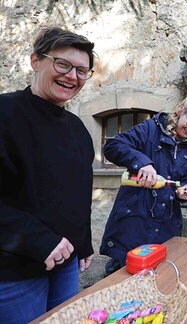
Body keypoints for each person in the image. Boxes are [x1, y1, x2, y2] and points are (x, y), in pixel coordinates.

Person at [0, 26, 96, 323]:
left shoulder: (79, 129)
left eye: (82, 70)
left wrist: (84, 243)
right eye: (63, 64)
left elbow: (78, 194)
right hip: (14, 271)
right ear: (35, 61)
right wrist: (38, 240)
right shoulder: (5, 113)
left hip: (66, 266)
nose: (72, 76)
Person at [99, 97, 187, 275]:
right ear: (181, 111)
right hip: (135, 222)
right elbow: (113, 146)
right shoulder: (151, 129)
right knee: (121, 279)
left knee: (158, 282)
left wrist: (186, 191)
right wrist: (142, 163)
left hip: (165, 227)